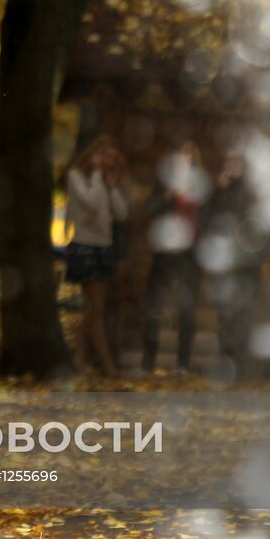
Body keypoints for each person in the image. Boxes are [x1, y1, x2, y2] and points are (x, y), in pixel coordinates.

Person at [199, 149, 270, 381]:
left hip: (248, 266)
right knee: (225, 315)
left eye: (236, 160)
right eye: (229, 160)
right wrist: (217, 190)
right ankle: (227, 363)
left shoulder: (255, 192)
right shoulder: (220, 191)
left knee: (244, 314)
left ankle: (242, 365)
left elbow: (268, 226)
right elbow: (207, 222)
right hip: (226, 265)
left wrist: (259, 255)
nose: (232, 164)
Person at [65, 136, 130, 378]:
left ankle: (80, 358)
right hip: (85, 247)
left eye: (113, 159)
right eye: (106, 156)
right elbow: (91, 203)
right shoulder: (76, 176)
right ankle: (106, 365)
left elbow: (122, 214)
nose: (109, 162)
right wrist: (95, 174)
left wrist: (111, 186)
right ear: (94, 155)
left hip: (104, 248)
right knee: (95, 308)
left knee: (95, 309)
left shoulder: (104, 182)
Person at [142, 140, 207, 372]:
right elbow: (148, 209)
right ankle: (148, 364)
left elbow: (208, 221)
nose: (184, 164)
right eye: (180, 159)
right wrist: (168, 196)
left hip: (189, 257)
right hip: (164, 255)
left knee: (187, 311)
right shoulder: (163, 186)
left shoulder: (200, 188)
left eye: (188, 160)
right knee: (154, 308)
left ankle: (182, 365)